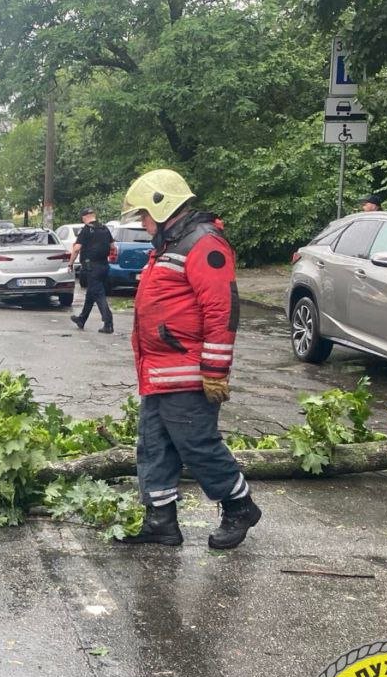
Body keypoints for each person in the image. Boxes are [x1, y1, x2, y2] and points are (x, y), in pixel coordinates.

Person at [118, 169, 260, 550]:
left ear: (163, 207)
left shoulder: (204, 244)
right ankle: (161, 520)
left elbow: (222, 311)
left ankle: (239, 505)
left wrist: (215, 370)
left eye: (145, 215)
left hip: (188, 371)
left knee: (197, 445)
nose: (144, 224)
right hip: (160, 371)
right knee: (154, 446)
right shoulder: (171, 244)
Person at [69, 207, 115, 334]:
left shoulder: (86, 229)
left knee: (99, 294)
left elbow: (77, 248)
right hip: (104, 266)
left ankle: (108, 322)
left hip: (92, 267)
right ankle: (81, 319)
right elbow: (112, 246)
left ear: (84, 217)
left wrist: (70, 263)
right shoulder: (105, 228)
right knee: (91, 293)